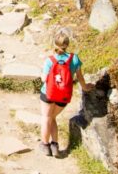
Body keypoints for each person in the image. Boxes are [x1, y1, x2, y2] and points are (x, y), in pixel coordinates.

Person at [39, 28, 92, 157]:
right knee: (52, 117)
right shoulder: (74, 59)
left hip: (48, 93)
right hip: (63, 96)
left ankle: (45, 145)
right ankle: (55, 145)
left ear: (55, 44)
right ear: (67, 44)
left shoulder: (50, 60)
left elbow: (43, 79)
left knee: (46, 118)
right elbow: (79, 77)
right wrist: (85, 87)